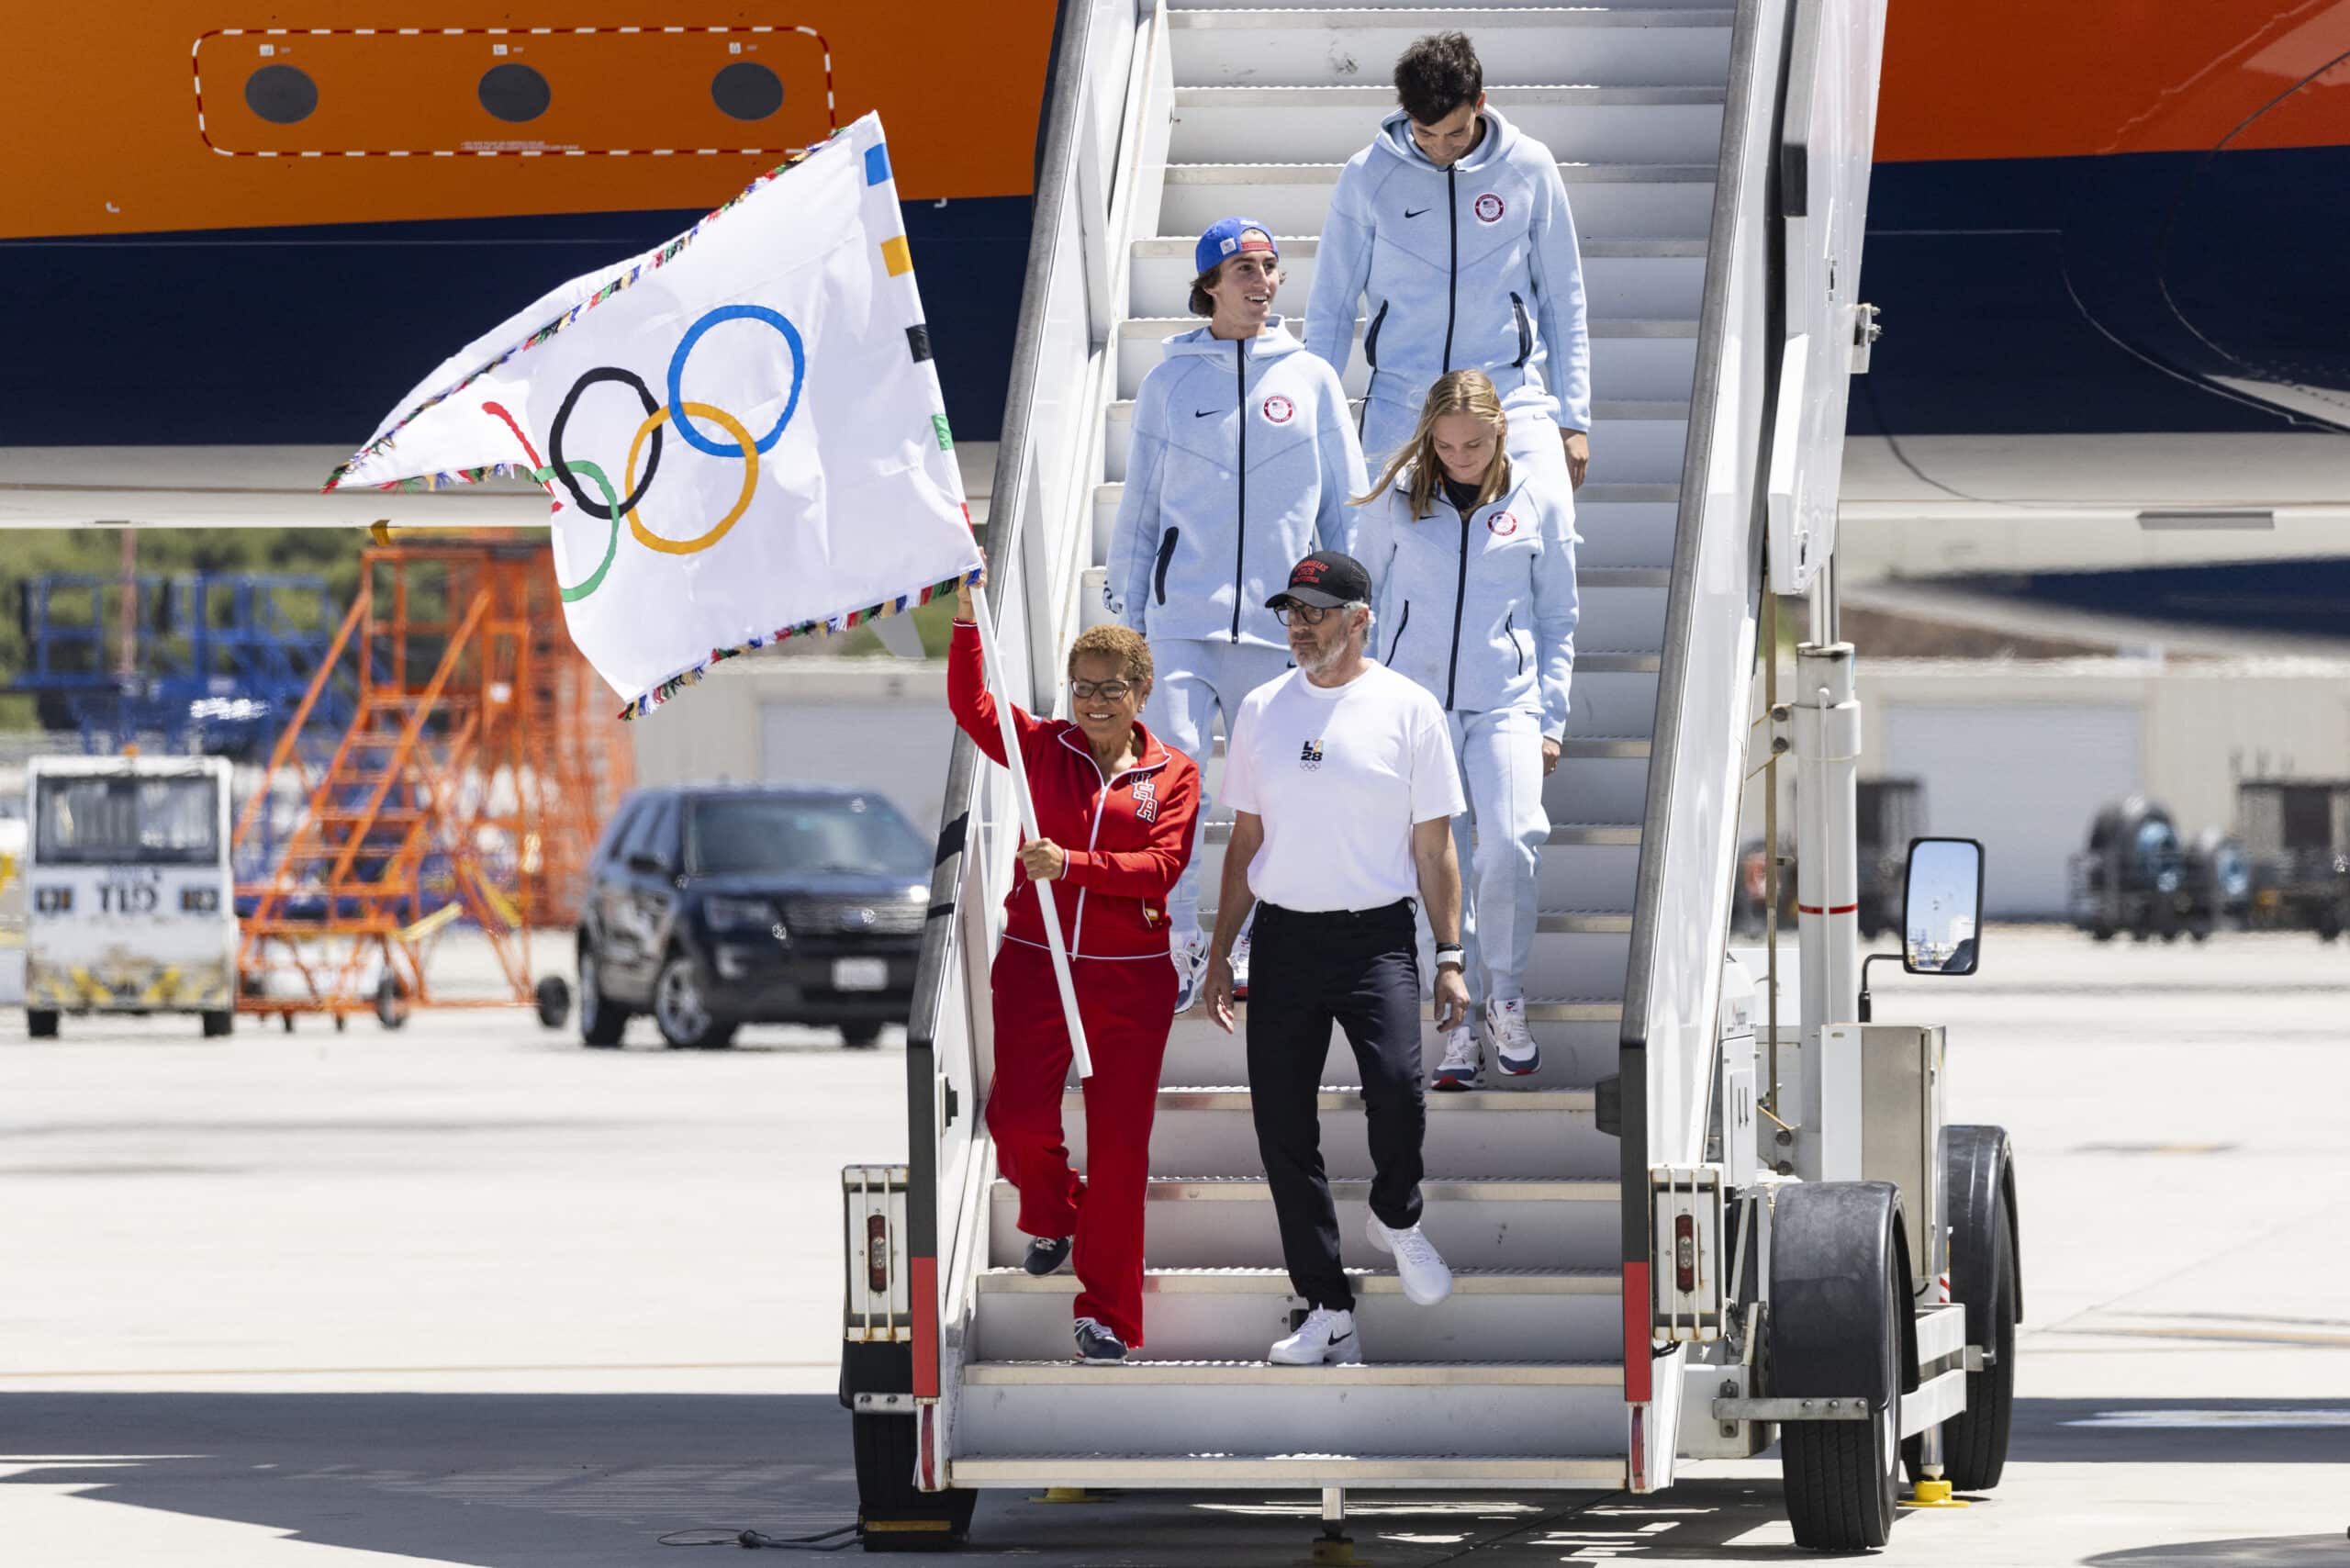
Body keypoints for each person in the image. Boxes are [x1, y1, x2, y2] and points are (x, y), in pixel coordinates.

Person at [1203, 551, 1471, 1366]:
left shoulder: (1408, 707)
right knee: (1282, 1131)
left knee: (1397, 1092)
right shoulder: (1259, 708)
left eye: (1317, 611)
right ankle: (1328, 1309)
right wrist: (1219, 953)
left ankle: (1397, 1214)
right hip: (1283, 939)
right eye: (1292, 610)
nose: (1299, 624)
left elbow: (1435, 849)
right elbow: (1246, 839)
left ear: (1361, 618)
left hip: (1377, 940)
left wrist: (1450, 955)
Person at [1103, 217, 1368, 1014]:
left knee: (1273, 791)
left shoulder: (1312, 378)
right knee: (1175, 784)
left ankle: (1250, 939)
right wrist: (1124, 620)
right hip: (1182, 619)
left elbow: (1343, 511)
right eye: (1244, 269)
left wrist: (1358, 617)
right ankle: (1177, 938)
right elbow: (1141, 508)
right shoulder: (1169, 381)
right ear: (1209, 284)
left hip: (1282, 630)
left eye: (1270, 268)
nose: (1262, 281)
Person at [947, 565, 1201, 1363]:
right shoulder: (1039, 747)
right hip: (1034, 960)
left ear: (1142, 689)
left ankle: (1107, 1318)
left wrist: (1075, 864)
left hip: (1129, 978)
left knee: (1121, 1153)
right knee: (1015, 1120)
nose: (1093, 702)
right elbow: (972, 706)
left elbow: (1163, 868)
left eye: (1111, 688)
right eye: (1082, 686)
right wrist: (963, 622)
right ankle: (1055, 1213)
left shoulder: (1176, 774)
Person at [1351, 370, 1579, 1089]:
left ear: (1501, 431)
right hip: (1412, 711)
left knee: (1511, 843)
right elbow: (1363, 602)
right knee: (1435, 861)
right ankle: (1453, 1019)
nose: (1460, 457)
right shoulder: (1396, 502)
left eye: (1473, 444)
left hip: (1508, 704)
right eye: (1446, 446)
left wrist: (1553, 717)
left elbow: (1558, 616)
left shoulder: (1537, 498)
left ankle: (1504, 998)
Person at [1304, 30, 1592, 498]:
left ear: (1480, 102)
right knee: (1385, 555)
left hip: (1508, 397)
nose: (1441, 147)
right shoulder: (1368, 175)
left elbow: (1564, 297)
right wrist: (1311, 412)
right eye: (1426, 133)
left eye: (1455, 131)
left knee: (1539, 534)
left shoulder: (1530, 167)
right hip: (1400, 401)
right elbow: (1331, 303)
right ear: (1405, 114)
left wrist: (1574, 417)